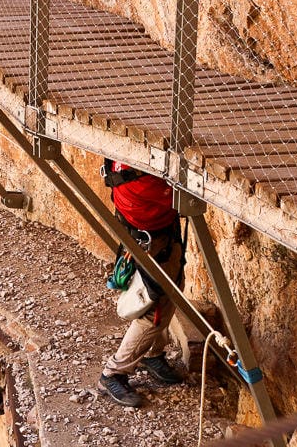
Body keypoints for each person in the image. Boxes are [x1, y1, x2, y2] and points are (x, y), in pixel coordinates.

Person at [97, 159, 187, 408]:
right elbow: (184, 197)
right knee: (155, 312)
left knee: (170, 290)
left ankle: (152, 354)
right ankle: (113, 373)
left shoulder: (124, 166)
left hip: (151, 235)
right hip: (153, 241)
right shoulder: (145, 185)